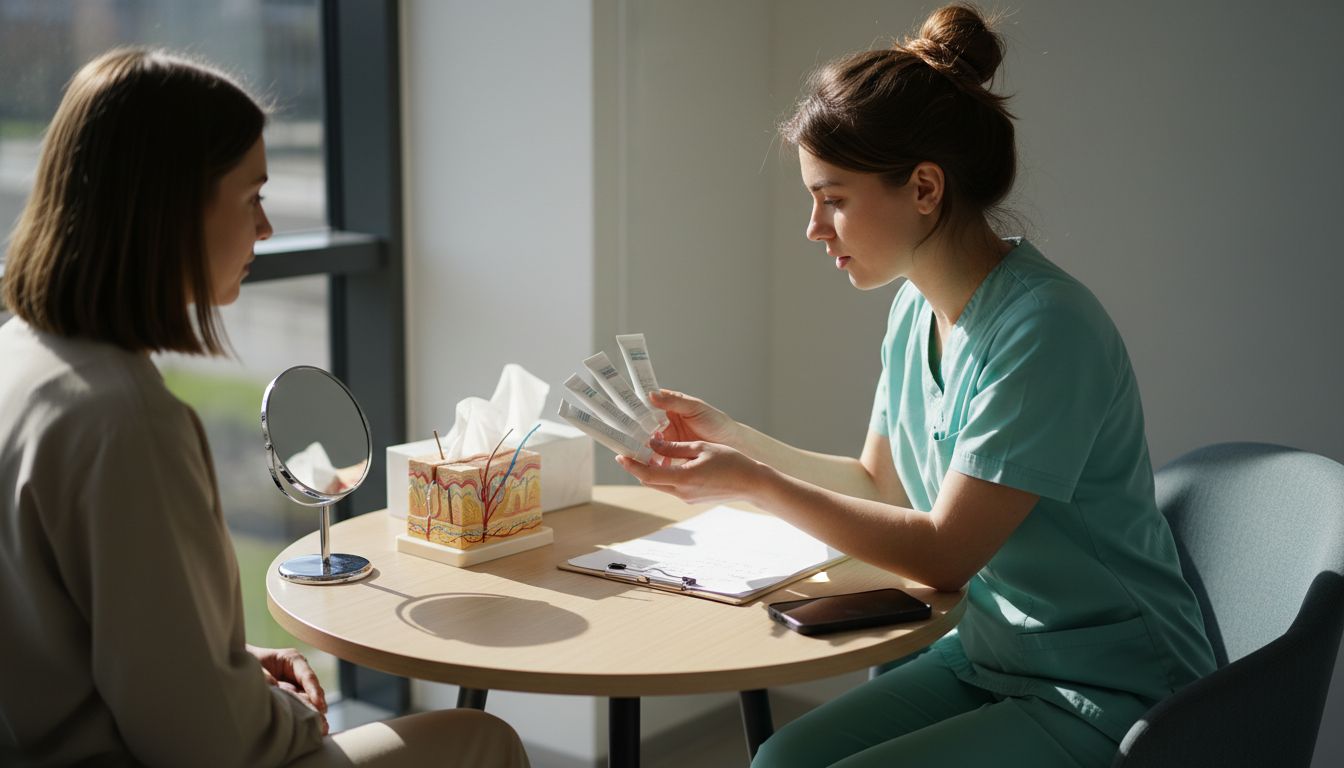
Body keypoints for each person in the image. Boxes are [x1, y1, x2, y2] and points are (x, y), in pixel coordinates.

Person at [616, 5, 1215, 767]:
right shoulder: (914, 308)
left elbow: (941, 556)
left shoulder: (1045, 329)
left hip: (1110, 690)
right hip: (994, 654)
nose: (813, 227)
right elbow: (880, 484)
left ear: (925, 187)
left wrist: (756, 484)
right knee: (780, 761)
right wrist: (734, 443)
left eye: (832, 198)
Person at [0, 49, 529, 767]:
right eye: (252, 196)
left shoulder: (20, 359)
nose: (267, 228)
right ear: (173, 205)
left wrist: (232, 663)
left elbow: (74, 634)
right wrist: (289, 717)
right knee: (481, 741)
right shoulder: (125, 422)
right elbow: (208, 742)